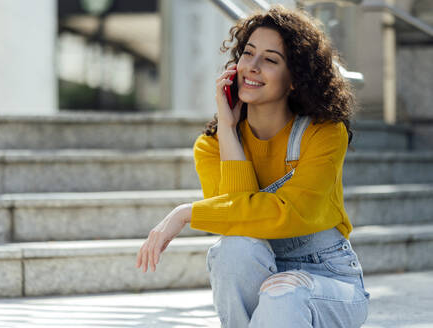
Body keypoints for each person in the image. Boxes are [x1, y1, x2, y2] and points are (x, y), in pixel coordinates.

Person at [136, 4, 371, 327]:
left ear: (294, 80)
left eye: (271, 60)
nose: (253, 67)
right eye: (248, 54)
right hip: (262, 277)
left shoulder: (325, 133)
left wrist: (187, 212)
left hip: (328, 280)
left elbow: (287, 211)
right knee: (233, 250)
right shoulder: (211, 145)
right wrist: (229, 130)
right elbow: (239, 225)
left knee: (283, 295)